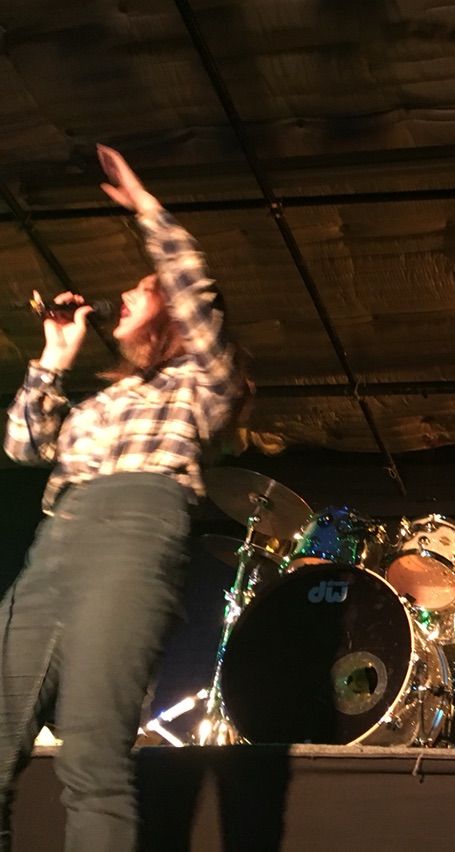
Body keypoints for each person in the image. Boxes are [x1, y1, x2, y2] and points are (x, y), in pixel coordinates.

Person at [0, 145, 245, 851]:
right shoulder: (98, 402)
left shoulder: (202, 379)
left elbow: (193, 286)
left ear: (171, 314)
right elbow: (21, 445)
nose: (127, 295)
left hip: (136, 529)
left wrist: (146, 208)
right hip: (57, 539)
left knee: (90, 758)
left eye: (143, 289)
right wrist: (53, 357)